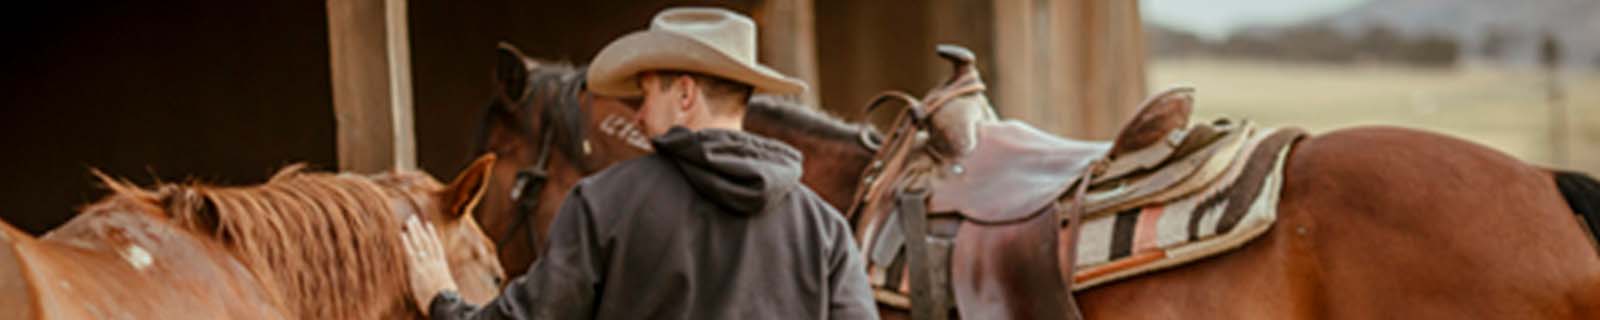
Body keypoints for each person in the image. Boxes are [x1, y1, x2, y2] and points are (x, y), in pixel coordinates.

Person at [400, 7, 878, 320]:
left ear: (686, 93)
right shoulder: (825, 231)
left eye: (646, 95)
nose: (642, 116)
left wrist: (442, 299)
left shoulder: (605, 204)